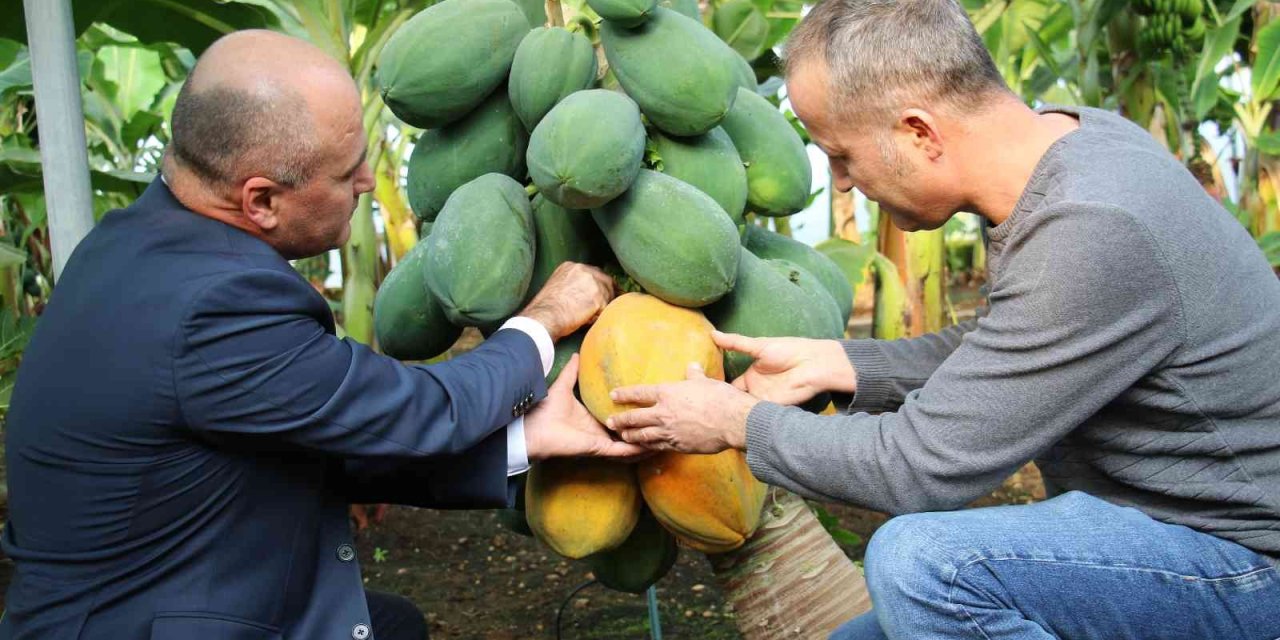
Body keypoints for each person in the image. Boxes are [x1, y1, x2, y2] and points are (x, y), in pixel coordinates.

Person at [605, 1, 1280, 638]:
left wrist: (737, 422)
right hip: (1157, 531)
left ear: (919, 133)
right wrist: (845, 363)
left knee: (925, 566)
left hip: (1243, 561)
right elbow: (1013, 341)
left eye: (842, 155)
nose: (841, 183)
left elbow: (920, 466)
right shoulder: (1070, 145)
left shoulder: (1091, 225)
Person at [0, 30, 640, 640]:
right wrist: (542, 319)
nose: (367, 182)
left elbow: (303, 436)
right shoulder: (215, 305)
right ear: (261, 201)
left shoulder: (130, 245)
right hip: (146, 622)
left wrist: (525, 437)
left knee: (395, 626)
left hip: (161, 593)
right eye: (346, 173)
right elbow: (420, 411)